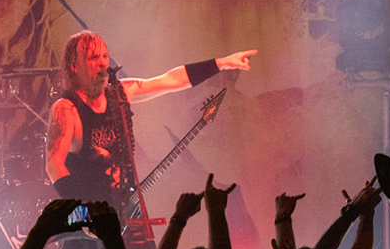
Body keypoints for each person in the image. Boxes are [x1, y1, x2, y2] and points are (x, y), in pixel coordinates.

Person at [44, 31, 254, 204]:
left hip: (127, 204)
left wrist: (221, 63)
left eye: (105, 56)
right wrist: (83, 210)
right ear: (74, 65)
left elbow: (171, 80)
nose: (102, 63)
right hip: (90, 214)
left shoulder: (120, 92)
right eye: (93, 58)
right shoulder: (66, 109)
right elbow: (54, 165)